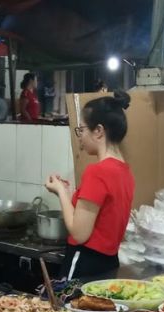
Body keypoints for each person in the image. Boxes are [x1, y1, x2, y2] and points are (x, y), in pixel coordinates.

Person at [45, 90, 134, 279]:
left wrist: (61, 192)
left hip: (84, 261)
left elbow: (79, 233)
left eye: (82, 129)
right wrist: (71, 194)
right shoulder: (124, 171)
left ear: (99, 131)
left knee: (67, 308)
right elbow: (101, 218)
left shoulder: (97, 171)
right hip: (109, 263)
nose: (79, 136)